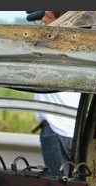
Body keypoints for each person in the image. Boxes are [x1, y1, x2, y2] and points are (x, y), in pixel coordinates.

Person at [27, 10, 81, 176]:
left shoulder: (49, 48)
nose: (43, 19)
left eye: (47, 16)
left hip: (56, 129)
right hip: (75, 128)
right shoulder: (77, 45)